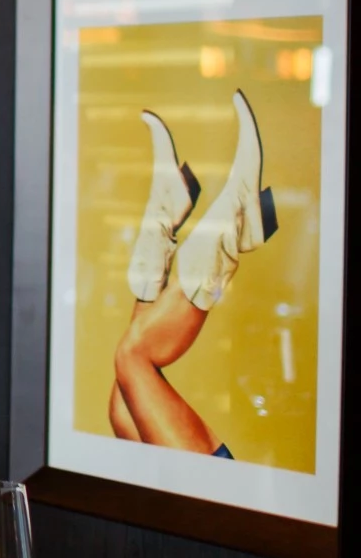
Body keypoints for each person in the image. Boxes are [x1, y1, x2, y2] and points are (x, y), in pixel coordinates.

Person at [109, 92, 277, 456]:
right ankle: (233, 220)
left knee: (125, 403)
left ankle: (169, 214)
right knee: (131, 360)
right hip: (226, 504)